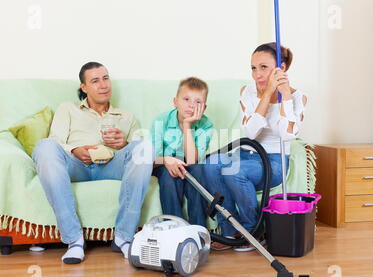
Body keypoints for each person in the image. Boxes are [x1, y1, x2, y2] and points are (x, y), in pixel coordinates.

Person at [32, 62, 153, 264]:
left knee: (144, 147)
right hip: (75, 165)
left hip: (111, 165)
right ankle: (74, 240)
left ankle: (124, 237)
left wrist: (124, 143)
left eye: (106, 78)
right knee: (44, 146)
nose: (103, 85)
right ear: (84, 87)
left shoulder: (126, 117)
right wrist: (75, 150)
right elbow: (55, 141)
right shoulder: (67, 109)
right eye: (95, 81)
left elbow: (136, 159)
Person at [202, 42, 308, 251]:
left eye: (264, 67)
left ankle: (252, 231)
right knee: (211, 163)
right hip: (246, 153)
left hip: (275, 161)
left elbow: (288, 134)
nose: (257, 74)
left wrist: (284, 96)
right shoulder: (247, 92)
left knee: (234, 172)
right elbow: (251, 133)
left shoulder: (297, 97)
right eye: (253, 68)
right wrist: (267, 95)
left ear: (282, 68)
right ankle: (230, 229)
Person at [151, 77, 213, 226]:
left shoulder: (206, 125)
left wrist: (187, 125)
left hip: (189, 164)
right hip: (162, 164)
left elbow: (192, 160)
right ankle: (174, 228)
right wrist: (167, 161)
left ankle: (198, 228)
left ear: (204, 108)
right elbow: (152, 158)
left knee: (198, 171)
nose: (191, 105)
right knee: (168, 176)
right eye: (186, 99)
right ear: (175, 101)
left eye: (198, 102)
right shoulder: (161, 121)